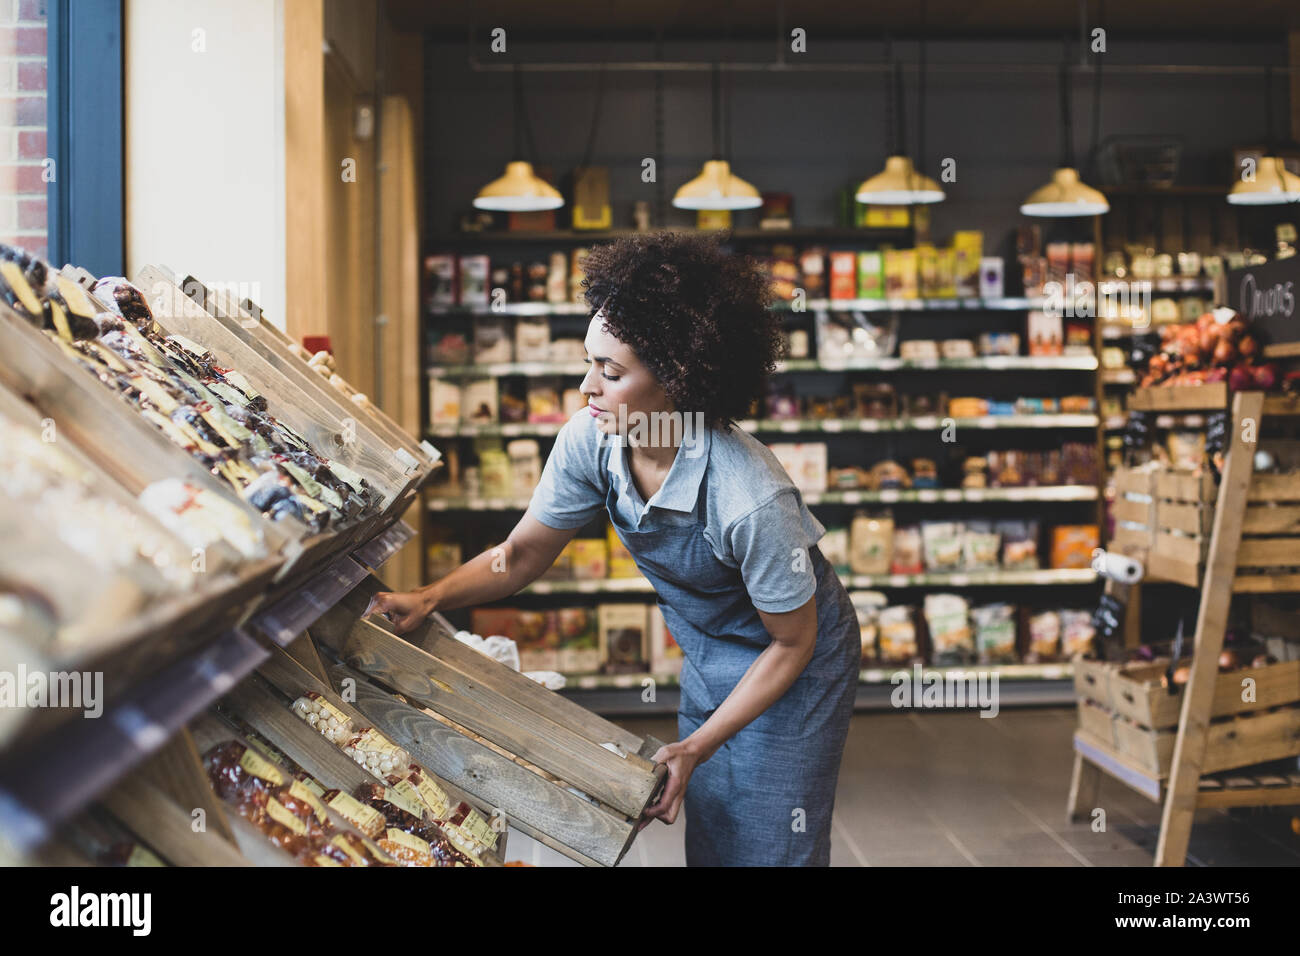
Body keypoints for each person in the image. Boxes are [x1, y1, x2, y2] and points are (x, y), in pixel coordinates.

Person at [367, 231, 859, 866]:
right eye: (587, 362)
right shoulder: (592, 442)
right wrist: (427, 597)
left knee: (770, 834)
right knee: (713, 824)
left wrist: (694, 745)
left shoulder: (749, 496)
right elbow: (518, 557)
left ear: (678, 378)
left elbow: (793, 642)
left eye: (612, 371)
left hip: (797, 655)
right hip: (713, 645)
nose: (586, 387)